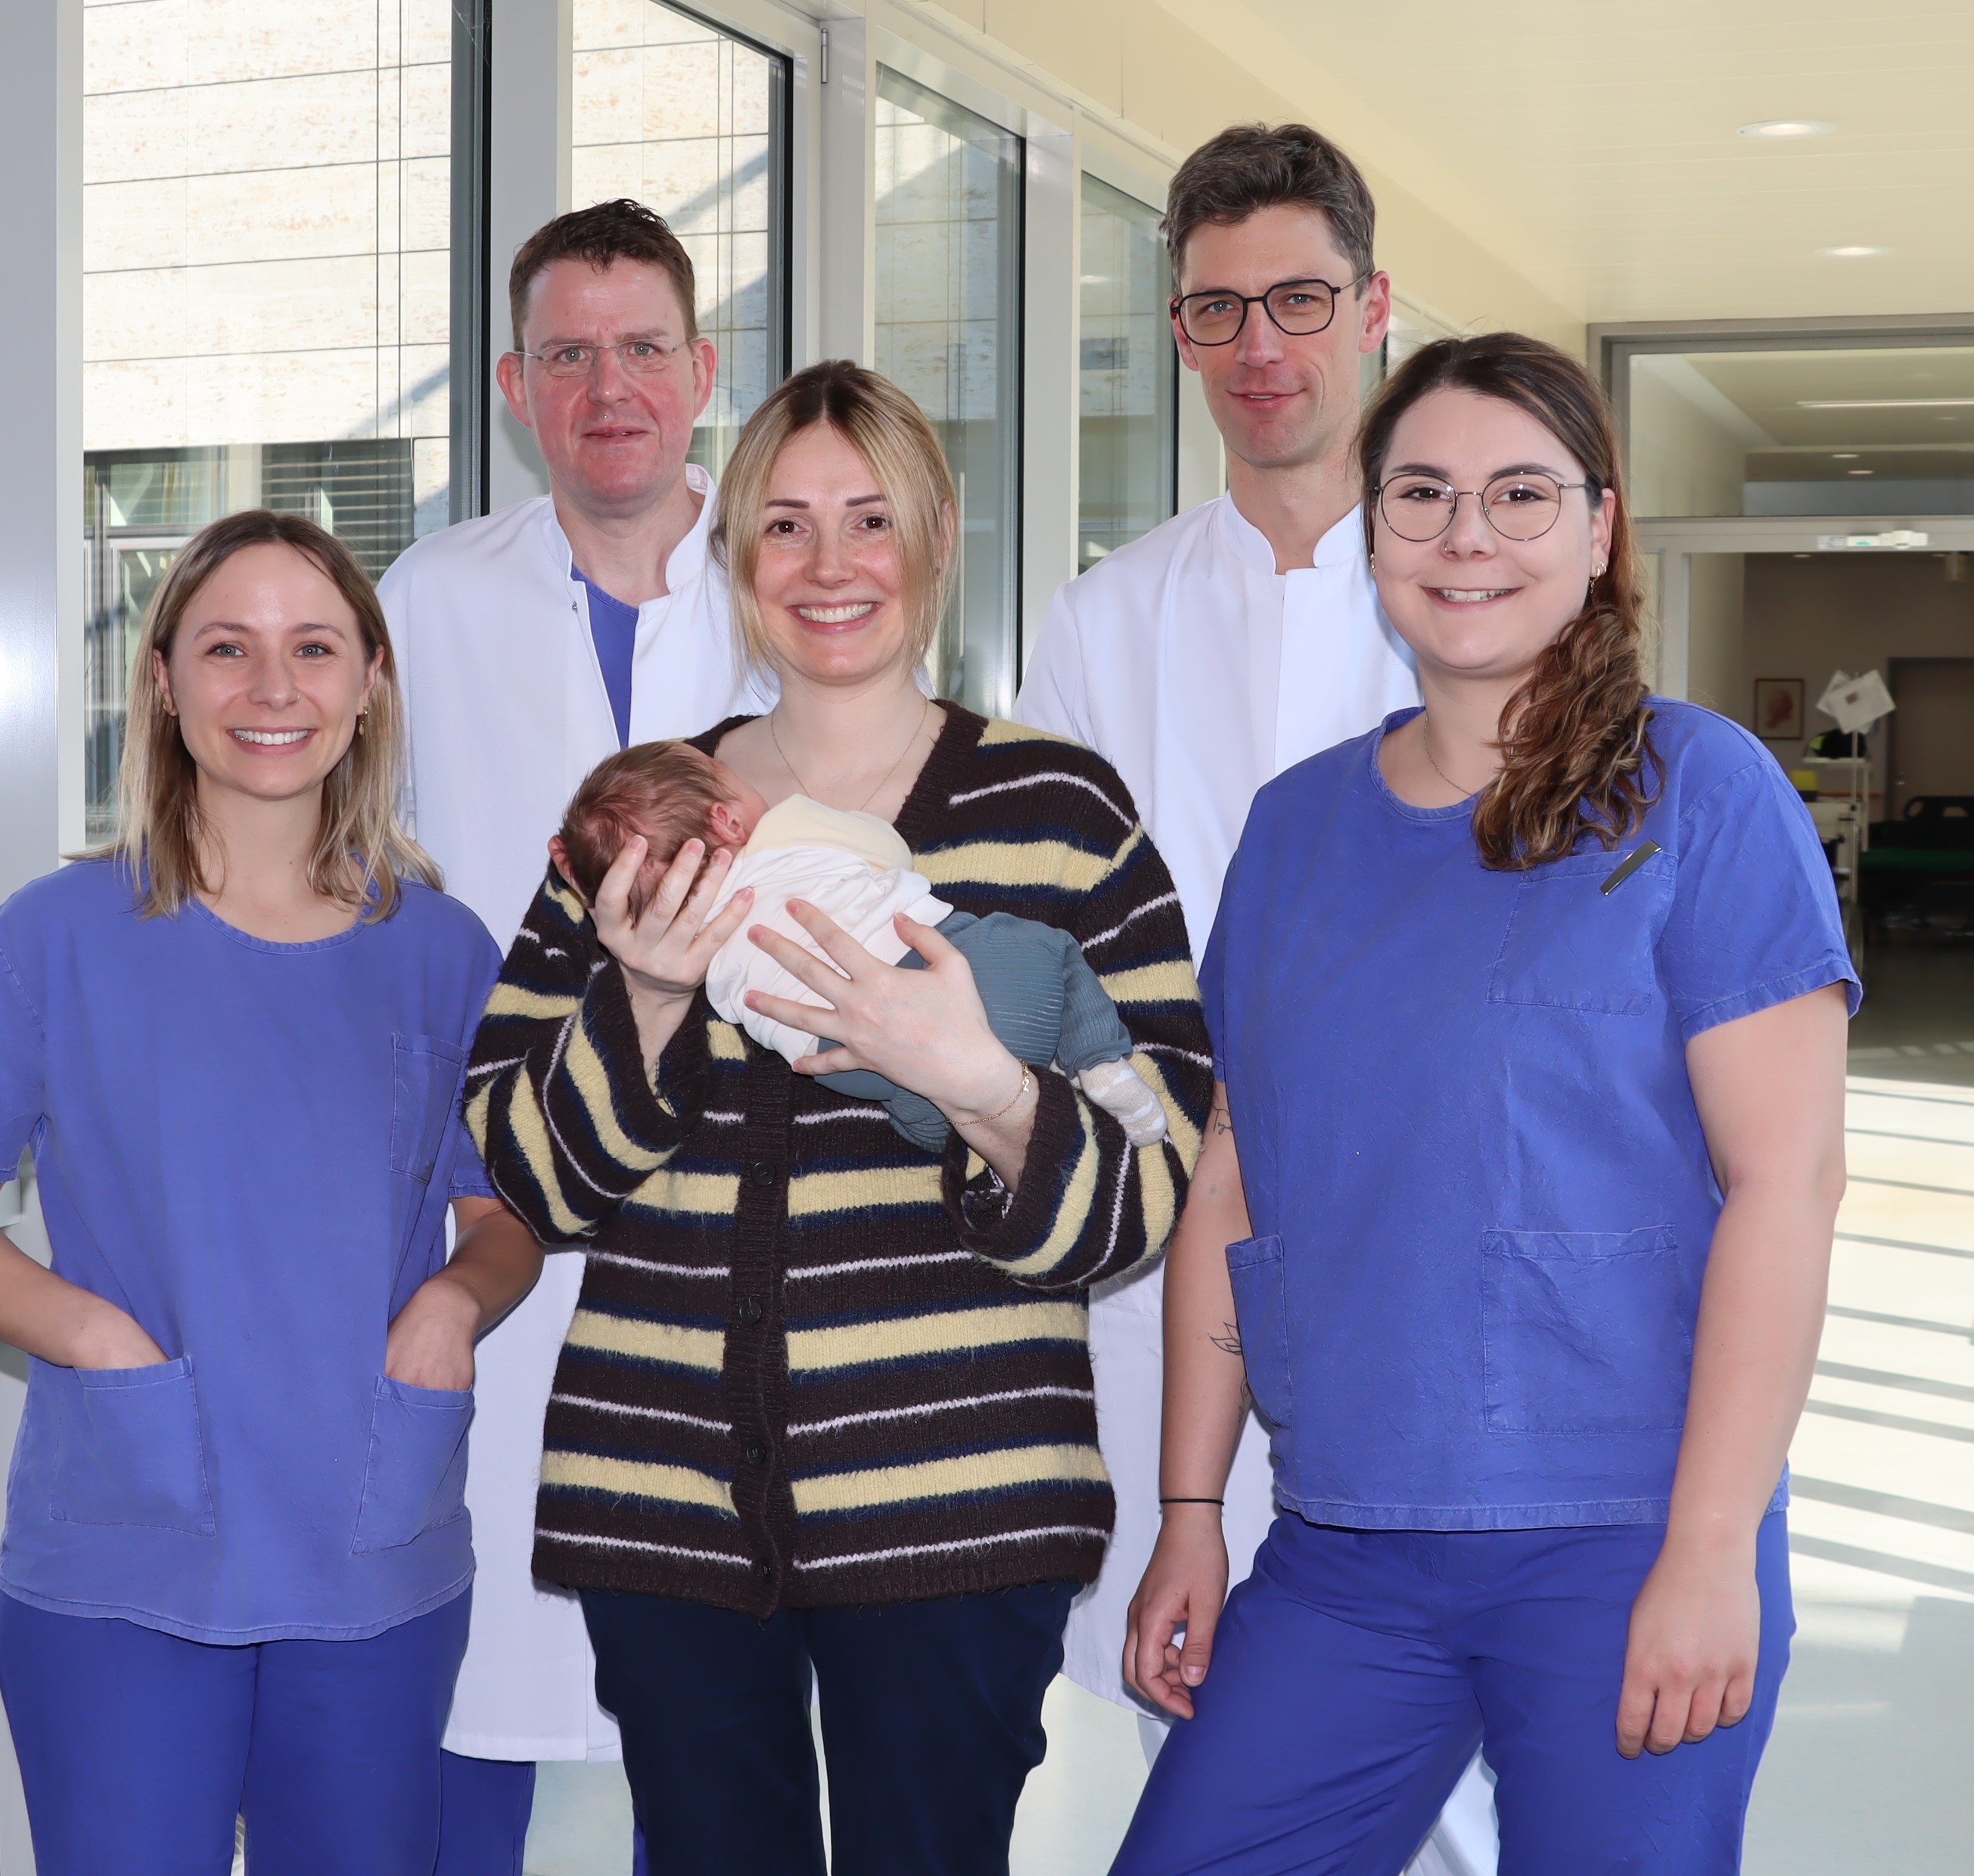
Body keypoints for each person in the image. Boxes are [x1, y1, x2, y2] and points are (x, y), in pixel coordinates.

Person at [1112, 333, 1855, 1874]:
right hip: (1345, 1544)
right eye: (1424, 494)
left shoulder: (1697, 793)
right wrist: (1190, 1508)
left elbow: (1788, 1183)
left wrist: (1712, 1546)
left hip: (1623, 1535)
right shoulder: (1295, 830)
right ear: (1372, 528)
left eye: (1521, 494)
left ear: (1598, 529)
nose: (1468, 536)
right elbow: (1234, 1180)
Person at [465, 360, 1211, 1876]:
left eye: (869, 518)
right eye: (785, 524)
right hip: (666, 1504)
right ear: (736, 554)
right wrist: (649, 998)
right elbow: (528, 1174)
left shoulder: (1065, 813)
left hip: (959, 1508)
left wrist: (980, 1082)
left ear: (933, 537)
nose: (829, 565)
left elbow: (1151, 1187)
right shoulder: (644, 815)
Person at [0, 511, 541, 1874]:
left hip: (372, 1547)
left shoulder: (444, 950)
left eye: (315, 648)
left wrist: (454, 1305)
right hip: (127, 1553)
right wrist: (94, 1336)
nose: (273, 687)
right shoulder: (54, 938)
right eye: (227, 648)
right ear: (165, 684)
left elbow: (507, 1217)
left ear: (371, 684)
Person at [1010, 121, 1497, 1868]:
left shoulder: (1479, 593)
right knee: (1207, 1721)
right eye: (1217, 309)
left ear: (1375, 308)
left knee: (1466, 1775)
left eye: (1299, 299)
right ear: (1178, 330)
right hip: (1182, 1259)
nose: (1260, 346)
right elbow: (1052, 951)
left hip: (1448, 1252)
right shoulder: (1105, 623)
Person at [375, 198, 760, 1864]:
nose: (612, 388)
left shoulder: (787, 584)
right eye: (570, 354)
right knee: (481, 1679)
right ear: (515, 386)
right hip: (503, 1198)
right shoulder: (429, 599)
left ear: (704, 372)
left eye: (645, 348)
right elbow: (361, 873)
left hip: (752, 1204)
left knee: (732, 1722)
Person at [552, 738, 1168, 1151]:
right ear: (728, 820)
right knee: (1050, 947)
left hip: (842, 1060)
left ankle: (957, 1105)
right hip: (951, 971)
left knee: (917, 1109)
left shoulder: (684, 951)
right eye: (729, 778)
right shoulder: (787, 826)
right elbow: (889, 849)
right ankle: (1099, 1061)